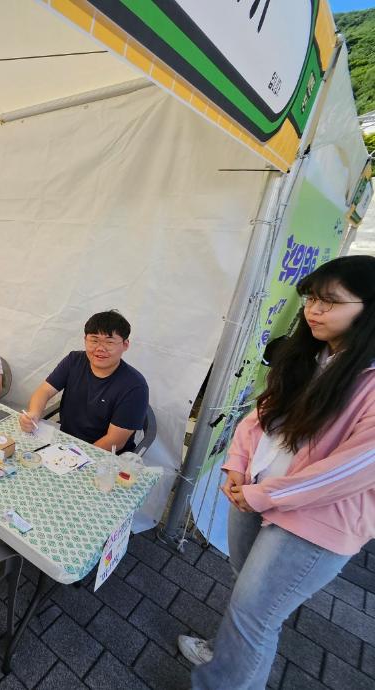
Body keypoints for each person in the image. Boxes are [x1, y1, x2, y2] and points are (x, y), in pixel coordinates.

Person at [177, 255, 375, 689]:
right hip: (254, 490)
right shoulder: (312, 355)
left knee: (256, 615)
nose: (313, 310)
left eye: (330, 301)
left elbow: (351, 470)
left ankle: (221, 678)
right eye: (310, 299)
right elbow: (260, 417)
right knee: (246, 595)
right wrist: (237, 465)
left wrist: (264, 496)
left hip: (314, 520)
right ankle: (224, 655)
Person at [19, 310, 148, 453]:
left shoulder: (135, 386)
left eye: (109, 342)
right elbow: (45, 390)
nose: (100, 348)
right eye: (94, 340)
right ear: (85, 340)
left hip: (105, 455)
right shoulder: (74, 360)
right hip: (66, 442)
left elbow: (114, 441)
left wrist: (77, 456)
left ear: (125, 345)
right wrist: (34, 414)